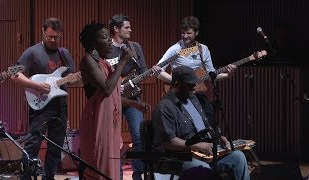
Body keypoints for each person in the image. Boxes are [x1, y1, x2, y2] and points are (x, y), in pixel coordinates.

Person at [152, 66, 250, 180]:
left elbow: (205, 126)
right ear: (177, 84)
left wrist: (218, 137)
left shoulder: (193, 99)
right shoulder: (165, 107)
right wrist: (196, 145)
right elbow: (168, 142)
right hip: (181, 157)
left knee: (238, 157)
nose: (194, 87)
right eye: (190, 84)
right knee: (202, 170)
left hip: (205, 153)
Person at [12, 17, 79, 179]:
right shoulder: (32, 52)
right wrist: (36, 86)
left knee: (55, 148)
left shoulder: (64, 53)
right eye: (50, 37)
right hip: (40, 107)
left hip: (60, 106)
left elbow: (74, 78)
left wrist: (75, 78)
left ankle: (48, 177)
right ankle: (25, 177)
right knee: (33, 145)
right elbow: (15, 75)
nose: (53, 40)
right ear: (43, 32)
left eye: (56, 37)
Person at [107, 14, 160, 180]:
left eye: (130, 27)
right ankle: (117, 175)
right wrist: (116, 85)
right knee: (112, 140)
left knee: (138, 136)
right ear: (116, 29)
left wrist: (152, 72)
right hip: (112, 99)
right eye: (127, 27)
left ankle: (138, 176)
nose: (130, 30)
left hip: (133, 98)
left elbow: (143, 71)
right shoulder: (106, 48)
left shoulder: (134, 47)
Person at [157, 16, 236, 124]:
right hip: (181, 95)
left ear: (196, 33)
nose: (185, 36)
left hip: (197, 93)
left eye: (188, 33)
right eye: (183, 33)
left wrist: (228, 75)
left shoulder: (203, 49)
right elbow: (158, 70)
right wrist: (175, 80)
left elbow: (211, 75)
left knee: (209, 117)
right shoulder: (175, 49)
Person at [79, 21, 131, 180]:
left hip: (110, 121)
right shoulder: (88, 60)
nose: (110, 41)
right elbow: (106, 89)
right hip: (98, 121)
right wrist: (122, 62)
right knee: (101, 166)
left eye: (109, 37)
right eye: (105, 38)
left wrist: (136, 104)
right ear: (93, 43)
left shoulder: (104, 62)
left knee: (111, 165)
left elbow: (113, 94)